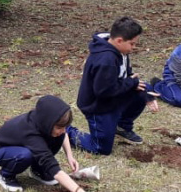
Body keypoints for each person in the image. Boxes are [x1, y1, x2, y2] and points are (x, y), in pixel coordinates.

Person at [0, 95, 107, 192]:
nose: (64, 130)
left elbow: (63, 135)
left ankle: (38, 171)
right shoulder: (30, 133)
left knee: (57, 135)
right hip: (0, 150)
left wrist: (69, 156)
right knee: (24, 155)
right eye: (59, 127)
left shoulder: (45, 123)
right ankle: (6, 176)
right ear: (47, 121)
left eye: (65, 127)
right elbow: (54, 169)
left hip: (24, 145)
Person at [67, 16, 158, 155]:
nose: (134, 48)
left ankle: (122, 127)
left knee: (145, 89)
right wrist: (130, 82)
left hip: (112, 97)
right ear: (119, 40)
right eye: (132, 44)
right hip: (97, 106)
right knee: (101, 148)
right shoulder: (106, 60)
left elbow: (127, 76)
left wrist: (140, 90)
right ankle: (67, 132)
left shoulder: (121, 51)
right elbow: (103, 91)